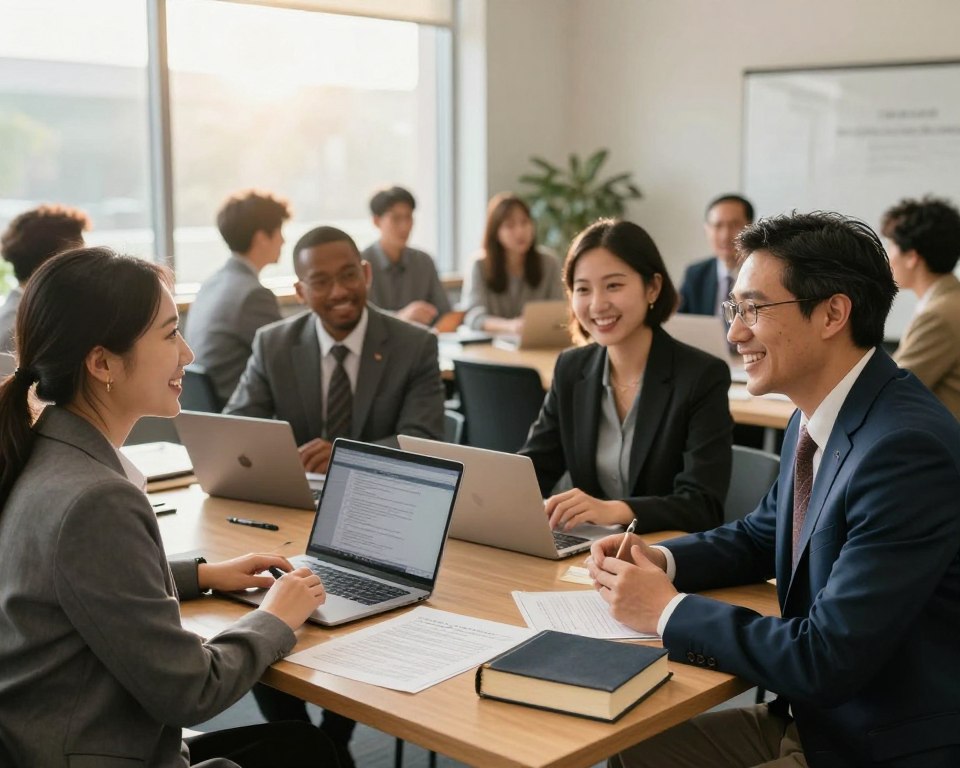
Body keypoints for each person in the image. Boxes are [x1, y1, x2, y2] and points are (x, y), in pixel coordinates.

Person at [590, 211, 960, 767]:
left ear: (834, 313)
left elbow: (824, 657)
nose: (735, 332)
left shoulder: (905, 449)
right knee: (625, 753)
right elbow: (764, 532)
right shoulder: (815, 412)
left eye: (755, 310)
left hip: (875, 742)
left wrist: (667, 611)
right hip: (818, 722)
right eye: (734, 308)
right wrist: (660, 559)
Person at [0, 247, 337, 767]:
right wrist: (276, 616)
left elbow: (76, 583)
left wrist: (200, 575)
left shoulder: (38, 450)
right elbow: (191, 693)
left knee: (301, 744)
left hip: (47, 742)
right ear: (101, 362)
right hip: (99, 751)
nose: (188, 354)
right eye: (168, 333)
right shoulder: (95, 499)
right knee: (308, 754)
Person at [225, 225, 445, 765]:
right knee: (254, 605)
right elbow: (237, 429)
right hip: (292, 517)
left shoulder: (414, 344)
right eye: (321, 281)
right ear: (300, 291)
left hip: (378, 525)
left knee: (367, 609)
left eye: (349, 274)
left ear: (366, 274)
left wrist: (349, 455)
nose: (340, 290)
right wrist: (283, 451)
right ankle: (306, 739)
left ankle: (333, 744)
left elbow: (425, 440)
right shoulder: (273, 343)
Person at [519, 219, 732, 535]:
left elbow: (702, 505)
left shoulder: (701, 376)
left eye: (614, 285)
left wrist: (611, 511)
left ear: (653, 287)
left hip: (660, 557)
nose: (597, 304)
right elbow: (533, 471)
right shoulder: (571, 368)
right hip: (586, 554)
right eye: (582, 289)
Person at [185, 189, 290, 406]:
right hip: (239, 411)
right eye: (280, 231)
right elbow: (287, 359)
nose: (284, 241)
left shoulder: (212, 283)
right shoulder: (252, 295)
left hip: (206, 412)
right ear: (262, 238)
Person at [881, 195, 960, 420]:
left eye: (891, 246)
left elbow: (890, 390)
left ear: (912, 257)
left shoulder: (939, 315)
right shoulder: (949, 301)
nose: (888, 257)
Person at [460, 193, 565, 332]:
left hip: (538, 343)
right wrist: (510, 326)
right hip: (492, 346)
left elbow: (560, 311)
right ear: (495, 232)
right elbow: (473, 317)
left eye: (525, 222)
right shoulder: (479, 265)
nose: (520, 231)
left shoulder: (549, 262)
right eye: (510, 226)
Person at [0, 204, 90, 353]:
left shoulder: (31, 316)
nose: (87, 267)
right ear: (49, 262)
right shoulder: (17, 330)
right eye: (78, 257)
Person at [362, 185, 451, 325]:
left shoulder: (424, 261)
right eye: (396, 218)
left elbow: (444, 312)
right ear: (377, 221)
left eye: (408, 217)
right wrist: (401, 316)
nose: (405, 226)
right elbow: (360, 317)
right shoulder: (361, 263)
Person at [678, 193, 754, 316]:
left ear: (751, 228)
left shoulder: (762, 275)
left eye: (734, 225)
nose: (725, 236)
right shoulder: (696, 275)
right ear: (706, 230)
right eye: (718, 226)